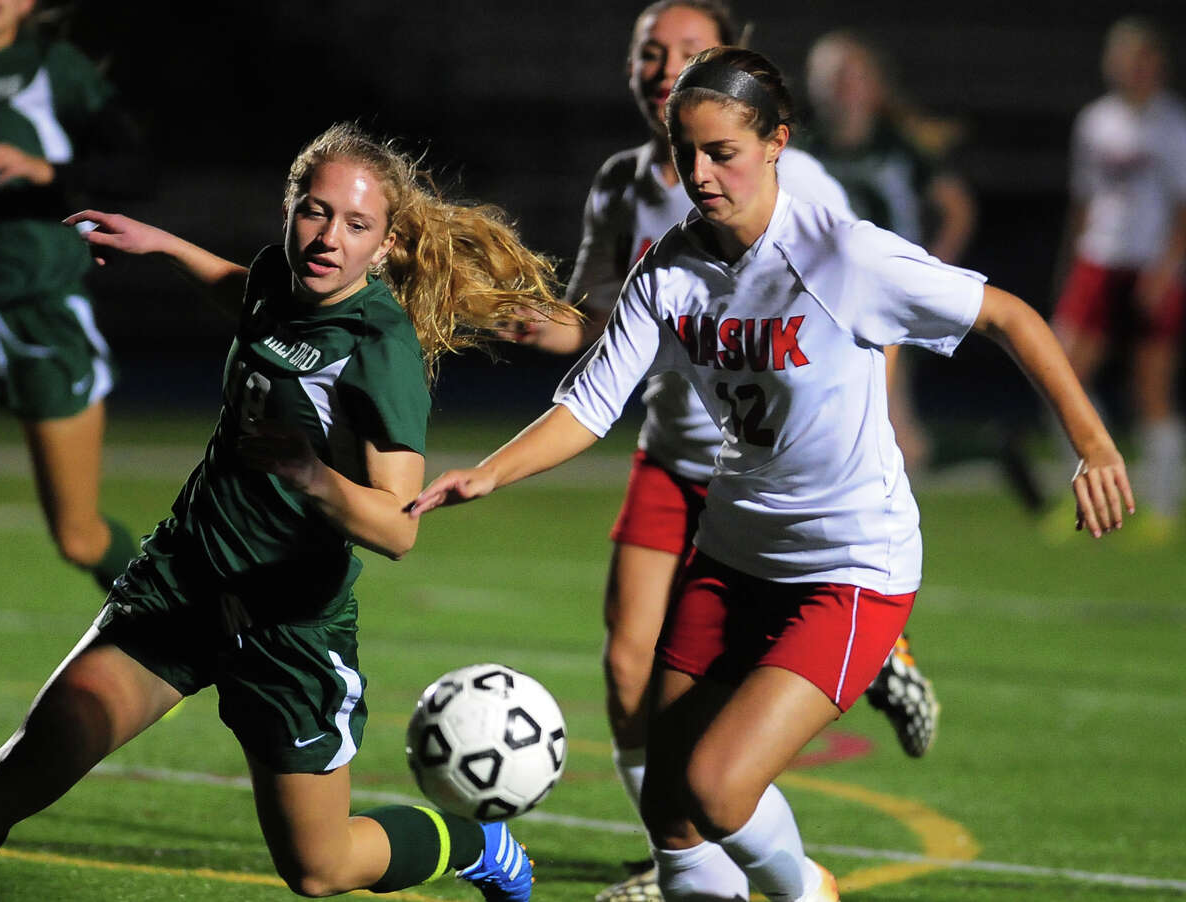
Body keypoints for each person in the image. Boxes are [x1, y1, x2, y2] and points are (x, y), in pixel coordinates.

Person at [411, 47, 1133, 902]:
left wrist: (1094, 443)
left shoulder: (844, 257)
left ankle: (805, 892)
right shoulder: (671, 269)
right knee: (673, 812)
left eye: (725, 152)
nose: (703, 172)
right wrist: (489, 475)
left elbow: (1009, 316)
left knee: (717, 789)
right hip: (733, 555)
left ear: (777, 143)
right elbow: (591, 404)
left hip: (850, 568)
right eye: (688, 153)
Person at [0, 121, 577, 901]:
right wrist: (164, 245)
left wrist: (314, 478)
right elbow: (247, 292)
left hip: (287, 629)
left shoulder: (380, 345)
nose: (329, 236)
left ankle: (476, 843)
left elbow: (399, 527)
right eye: (315, 210)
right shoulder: (278, 276)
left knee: (319, 868)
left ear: (386, 244)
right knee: (12, 780)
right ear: (290, 206)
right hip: (184, 584)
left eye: (356, 224)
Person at [512, 7, 935, 899]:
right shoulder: (622, 185)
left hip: (774, 474)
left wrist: (882, 423)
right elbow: (593, 327)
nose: (665, 67)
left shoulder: (801, 180)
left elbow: (865, 301)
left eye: (687, 52)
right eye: (648, 53)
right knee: (629, 665)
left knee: (725, 725)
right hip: (673, 448)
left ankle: (864, 652)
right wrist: (501, 312)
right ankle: (674, 859)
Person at [0, 0, 151, 592]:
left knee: (79, 536)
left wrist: (43, 172)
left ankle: (163, 635)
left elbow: (136, 170)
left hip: (43, 312)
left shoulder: (54, 68)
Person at [802, 30, 977, 479]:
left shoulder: (897, 148)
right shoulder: (803, 148)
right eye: (831, 76)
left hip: (882, 299)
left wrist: (930, 274)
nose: (840, 87)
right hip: (821, 300)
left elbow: (957, 210)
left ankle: (984, 451)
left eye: (849, 76)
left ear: (872, 85)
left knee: (892, 428)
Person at [1050, 16, 1186, 541]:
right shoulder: (1095, 122)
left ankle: (1163, 505)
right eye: (1125, 56)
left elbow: (1181, 208)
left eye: (1143, 56)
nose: (1134, 67)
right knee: (1064, 379)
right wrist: (1070, 270)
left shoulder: (1172, 123)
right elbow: (1084, 203)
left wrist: (1165, 271)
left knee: (1151, 386)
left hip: (1152, 265)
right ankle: (1087, 494)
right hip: (1099, 261)